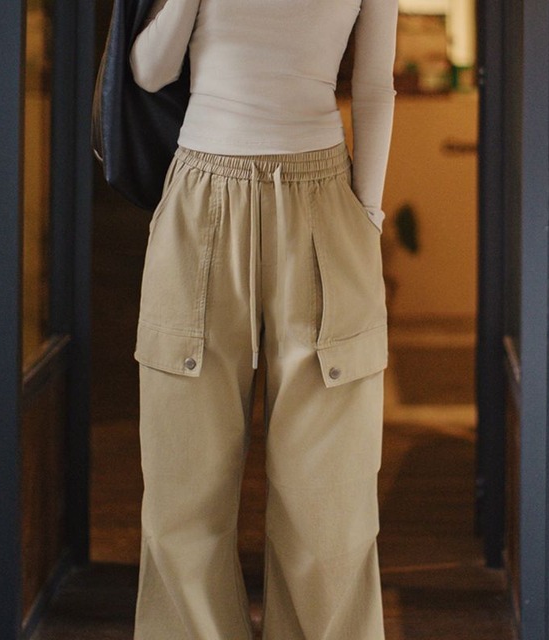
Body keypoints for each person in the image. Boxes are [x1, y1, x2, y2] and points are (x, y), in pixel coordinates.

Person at [129, 0, 397, 637]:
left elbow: (373, 84)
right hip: (199, 194)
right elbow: (149, 71)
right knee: (182, 485)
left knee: (329, 493)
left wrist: (367, 216)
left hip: (323, 197)